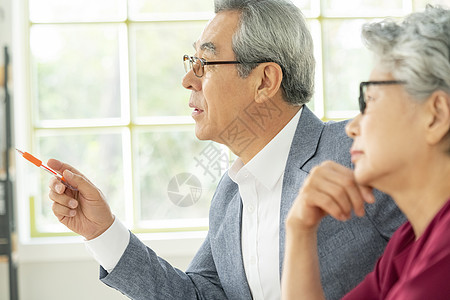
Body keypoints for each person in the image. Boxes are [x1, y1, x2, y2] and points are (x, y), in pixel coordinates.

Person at [48, 0, 404, 299]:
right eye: (191, 63)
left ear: (265, 80)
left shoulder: (358, 151)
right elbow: (199, 295)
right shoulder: (229, 195)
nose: (188, 79)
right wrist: (103, 231)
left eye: (204, 63)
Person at [282, 5, 450, 300]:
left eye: (369, 100)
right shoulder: (407, 244)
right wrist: (299, 229)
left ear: (435, 115)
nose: (352, 127)